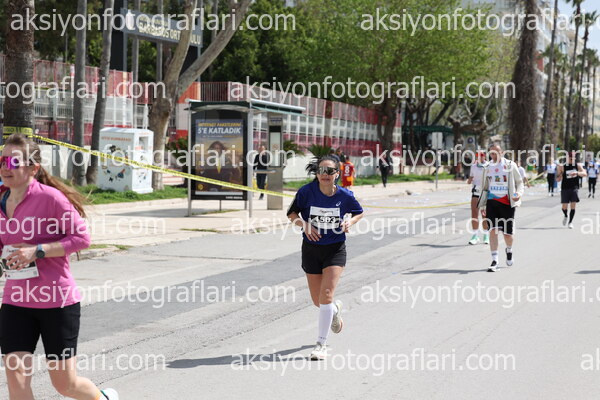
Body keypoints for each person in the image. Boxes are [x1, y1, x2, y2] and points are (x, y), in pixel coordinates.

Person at [0, 134, 119, 399]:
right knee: (16, 379)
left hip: (56, 301)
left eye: (13, 161)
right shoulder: (0, 201)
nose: (5, 167)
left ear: (33, 168)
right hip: (16, 300)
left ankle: (103, 397)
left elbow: (81, 238)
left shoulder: (51, 199)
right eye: (2, 160)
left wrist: (37, 251)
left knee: (65, 385)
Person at [286, 156, 363, 360]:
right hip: (311, 249)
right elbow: (292, 214)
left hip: (335, 249)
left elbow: (359, 212)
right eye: (321, 170)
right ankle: (335, 309)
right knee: (318, 301)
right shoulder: (306, 192)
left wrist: (350, 222)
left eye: (329, 171)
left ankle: (321, 344)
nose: (325, 174)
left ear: (337, 174)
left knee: (326, 295)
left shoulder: (345, 195)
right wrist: (304, 224)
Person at [477, 144, 524, 272]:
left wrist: (518, 194)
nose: (494, 155)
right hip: (492, 202)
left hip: (507, 203)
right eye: (492, 153)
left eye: (496, 152)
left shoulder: (510, 165)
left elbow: (519, 182)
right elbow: (484, 187)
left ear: (502, 152)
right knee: (493, 230)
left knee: (507, 235)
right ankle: (494, 260)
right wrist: (482, 205)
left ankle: (509, 250)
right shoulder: (487, 167)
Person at [557, 152, 587, 229]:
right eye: (570, 158)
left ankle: (570, 222)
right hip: (565, 188)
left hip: (574, 188)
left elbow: (585, 173)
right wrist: (560, 174)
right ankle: (565, 215)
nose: (572, 159)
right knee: (564, 207)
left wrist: (577, 173)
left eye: (573, 158)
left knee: (573, 205)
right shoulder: (562, 166)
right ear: (567, 158)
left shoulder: (577, 165)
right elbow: (558, 179)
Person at [466, 151, 489, 245]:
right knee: (474, 214)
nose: (479, 157)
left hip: (485, 192)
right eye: (477, 156)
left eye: (481, 155)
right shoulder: (473, 166)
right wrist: (469, 180)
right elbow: (471, 177)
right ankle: (475, 236)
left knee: (485, 215)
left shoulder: (489, 165)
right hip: (475, 192)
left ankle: (486, 235)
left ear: (485, 156)